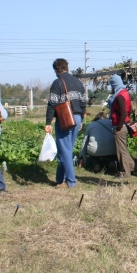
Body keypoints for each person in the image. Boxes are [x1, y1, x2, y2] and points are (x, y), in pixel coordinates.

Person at [45, 58, 86, 189]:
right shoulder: (78, 83)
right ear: (67, 67)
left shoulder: (57, 83)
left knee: (65, 151)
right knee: (67, 150)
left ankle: (71, 181)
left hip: (65, 119)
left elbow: (52, 103)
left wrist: (48, 122)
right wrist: (81, 120)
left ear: (56, 70)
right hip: (77, 118)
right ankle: (59, 180)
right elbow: (83, 102)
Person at [107, 74, 136, 179]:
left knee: (121, 151)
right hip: (125, 124)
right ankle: (132, 167)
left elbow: (123, 114)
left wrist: (118, 128)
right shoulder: (125, 93)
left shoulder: (119, 96)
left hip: (120, 126)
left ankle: (125, 173)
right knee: (123, 149)